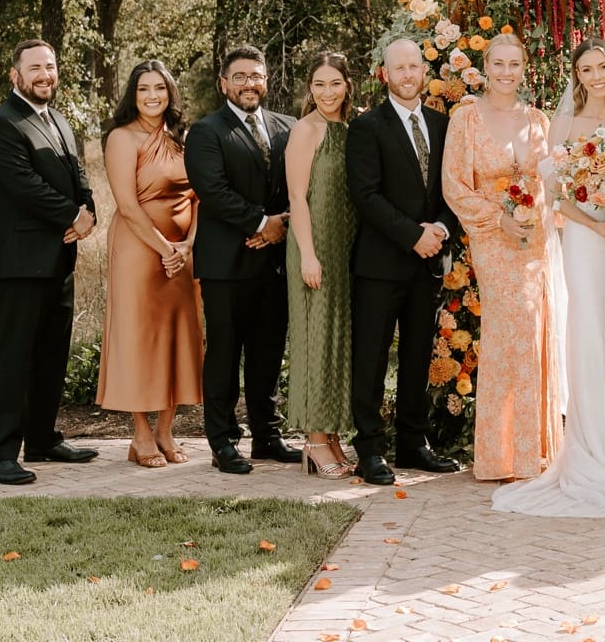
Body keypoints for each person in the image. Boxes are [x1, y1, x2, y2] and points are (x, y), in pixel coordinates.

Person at [494, 39, 605, 516]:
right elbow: (554, 195)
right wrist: (592, 220)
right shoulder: (564, 124)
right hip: (583, 236)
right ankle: (590, 450)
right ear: (577, 74)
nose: (596, 76)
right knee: (590, 332)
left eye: (603, 67)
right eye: (586, 69)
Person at [0, 39, 99, 485]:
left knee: (51, 353)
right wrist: (71, 215)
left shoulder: (60, 121)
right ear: (16, 75)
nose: (44, 74)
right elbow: (22, 185)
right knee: (14, 356)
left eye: (50, 66)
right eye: (35, 68)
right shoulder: (0, 125)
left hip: (58, 259)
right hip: (19, 261)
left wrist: (88, 212)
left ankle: (44, 438)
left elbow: (78, 176)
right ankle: (0, 456)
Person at [346, 36, 464, 486]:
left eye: (414, 66)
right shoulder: (367, 128)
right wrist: (413, 235)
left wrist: (440, 229)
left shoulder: (442, 123)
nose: (408, 74)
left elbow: (454, 187)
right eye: (399, 68)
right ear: (385, 75)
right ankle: (370, 450)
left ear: (423, 71)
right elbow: (366, 195)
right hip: (380, 265)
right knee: (372, 358)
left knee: (418, 356)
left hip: (428, 262)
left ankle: (414, 444)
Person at [443, 33, 560, 481]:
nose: (506, 72)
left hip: (533, 241)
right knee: (503, 333)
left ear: (523, 68)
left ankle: (534, 453)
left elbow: (549, 180)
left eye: (515, 64)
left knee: (532, 331)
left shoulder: (539, 120)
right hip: (492, 240)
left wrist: (536, 217)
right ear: (485, 66)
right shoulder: (466, 119)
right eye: (499, 64)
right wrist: (497, 219)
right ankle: (499, 456)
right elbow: (454, 184)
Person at [184, 44, 298, 475]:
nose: (250, 83)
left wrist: (280, 224)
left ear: (267, 80)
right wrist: (259, 223)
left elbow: (298, 186)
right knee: (226, 353)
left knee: (268, 352)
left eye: (257, 75)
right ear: (223, 84)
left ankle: (267, 436)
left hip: (274, 261)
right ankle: (223, 440)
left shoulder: (287, 127)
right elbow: (212, 190)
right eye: (240, 76)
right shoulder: (206, 131)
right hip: (226, 264)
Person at [97, 60, 203, 468]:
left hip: (182, 251)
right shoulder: (121, 139)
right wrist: (164, 249)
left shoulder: (182, 137)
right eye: (144, 89)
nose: (153, 96)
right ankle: (141, 434)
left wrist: (188, 245)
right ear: (133, 94)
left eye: (160, 88)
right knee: (140, 336)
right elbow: (126, 204)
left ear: (170, 93)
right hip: (140, 249)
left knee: (178, 335)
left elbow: (197, 197)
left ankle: (166, 430)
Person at [284, 51, 360, 479]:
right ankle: (313, 439)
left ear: (347, 84)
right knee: (315, 340)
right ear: (309, 89)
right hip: (312, 248)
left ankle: (331, 435)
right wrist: (309, 254)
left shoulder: (348, 130)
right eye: (318, 85)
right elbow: (297, 198)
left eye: (334, 83)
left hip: (344, 247)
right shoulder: (306, 129)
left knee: (336, 341)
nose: (327, 92)